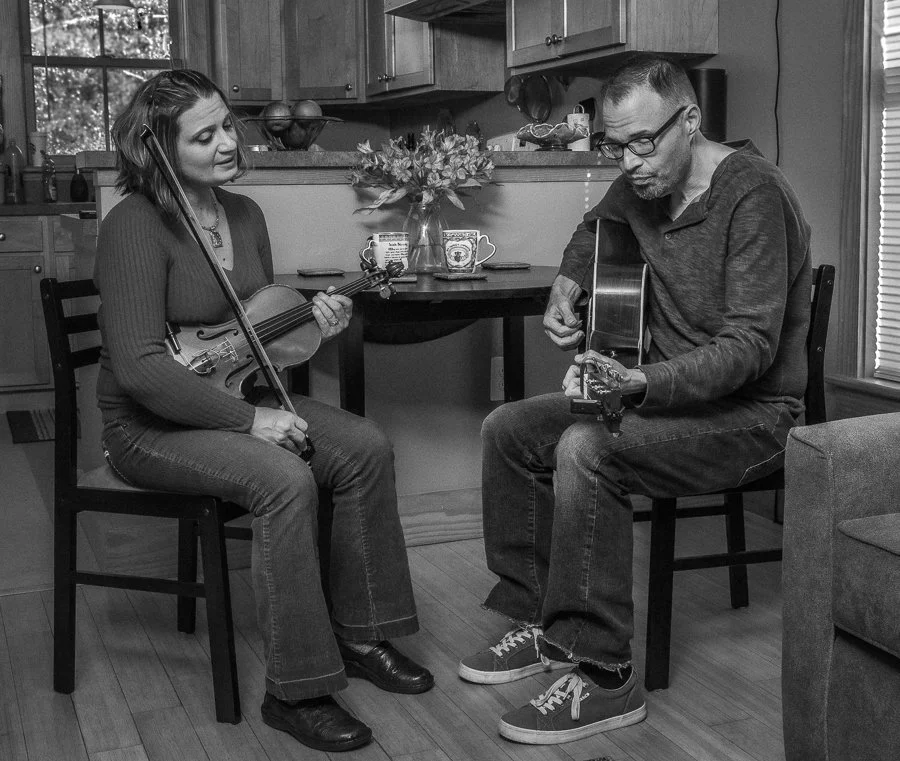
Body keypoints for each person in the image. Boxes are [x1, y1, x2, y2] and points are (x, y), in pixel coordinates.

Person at [458, 53, 811, 745]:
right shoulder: (642, 184)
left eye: (644, 142)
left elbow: (749, 349)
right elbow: (592, 230)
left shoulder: (754, 195)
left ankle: (603, 676)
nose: (630, 162)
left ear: (691, 119)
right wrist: (566, 285)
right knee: (508, 428)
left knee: (587, 447)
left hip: (753, 416)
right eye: (615, 145)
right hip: (661, 399)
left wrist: (641, 381)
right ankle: (543, 624)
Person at [95, 69, 433, 753]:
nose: (228, 142)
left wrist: (315, 324)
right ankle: (298, 689)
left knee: (364, 445)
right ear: (157, 147)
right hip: (149, 426)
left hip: (233, 397)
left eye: (227, 123)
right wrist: (252, 424)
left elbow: (252, 344)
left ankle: (362, 633)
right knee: (283, 479)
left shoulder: (244, 215)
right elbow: (138, 366)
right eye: (205, 135)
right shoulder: (134, 224)